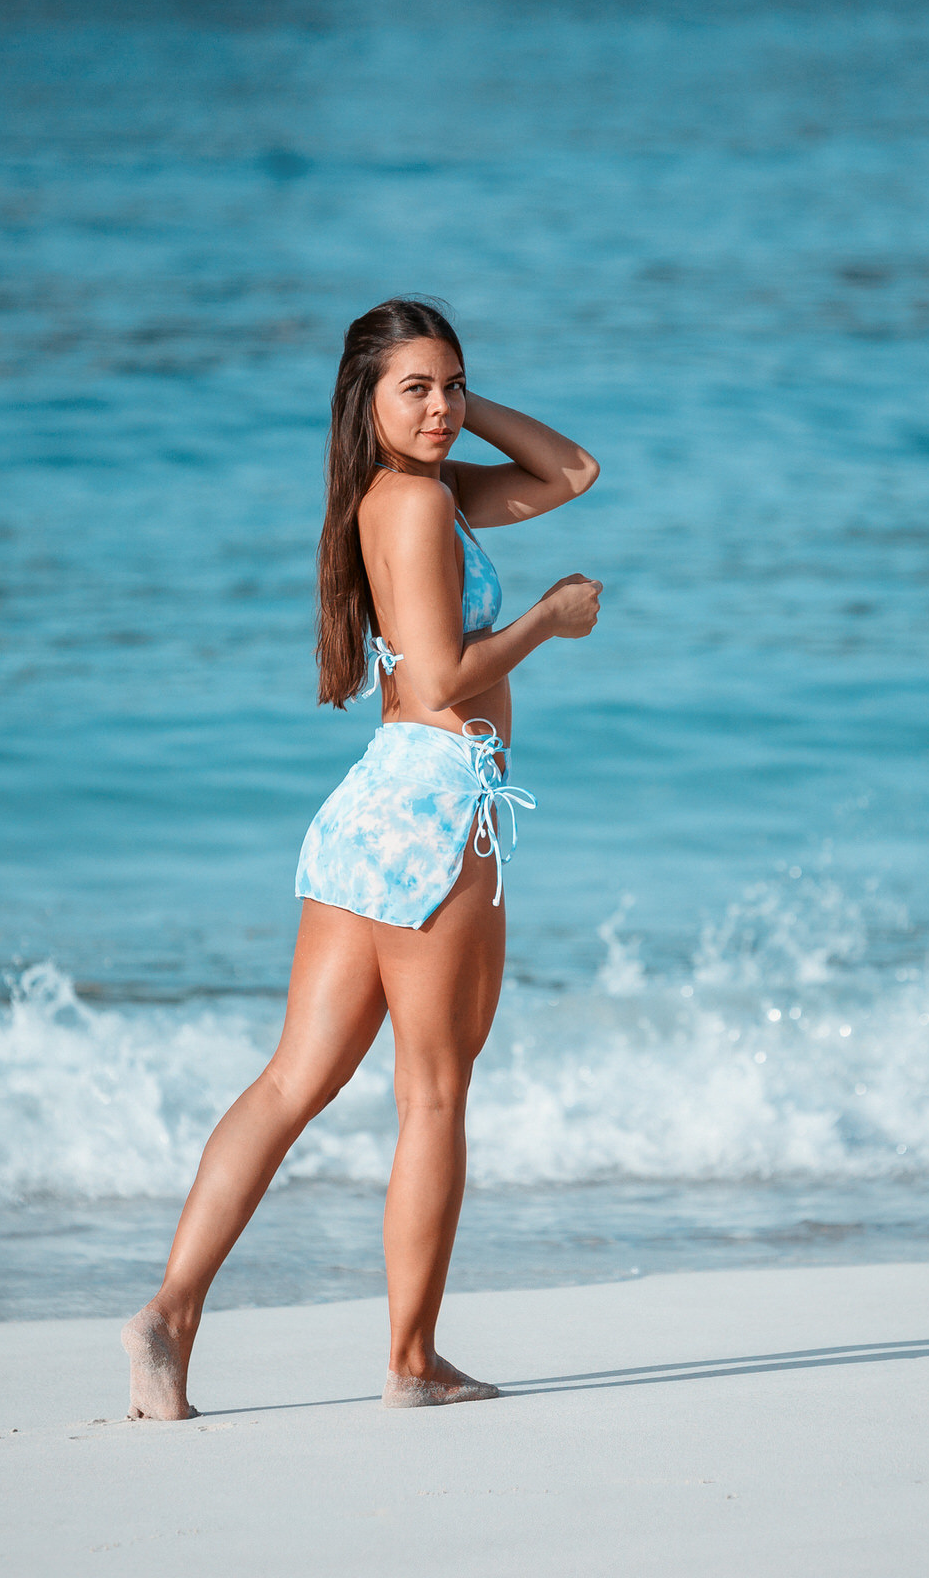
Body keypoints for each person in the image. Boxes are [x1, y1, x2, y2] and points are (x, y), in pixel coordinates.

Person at [121, 298, 603, 1417]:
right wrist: (548, 618)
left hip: (371, 807)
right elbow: (440, 682)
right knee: (433, 1094)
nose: (442, 409)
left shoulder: (406, 497)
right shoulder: (418, 507)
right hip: (437, 815)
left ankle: (169, 1315)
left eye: (454, 386)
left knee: (295, 1079)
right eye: (416, 390)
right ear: (367, 400)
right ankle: (411, 1361)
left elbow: (573, 468)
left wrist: (463, 414)